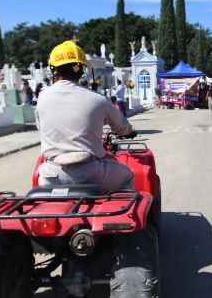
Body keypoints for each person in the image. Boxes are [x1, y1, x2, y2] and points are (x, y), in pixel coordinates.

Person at [35, 40, 137, 193]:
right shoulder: (98, 99)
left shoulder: (42, 97)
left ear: (54, 69)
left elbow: (40, 127)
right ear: (81, 69)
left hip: (50, 175)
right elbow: (122, 127)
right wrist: (129, 132)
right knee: (128, 175)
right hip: (90, 173)